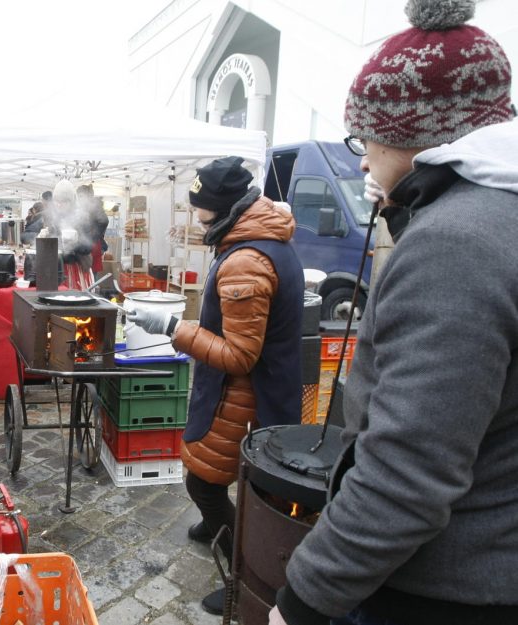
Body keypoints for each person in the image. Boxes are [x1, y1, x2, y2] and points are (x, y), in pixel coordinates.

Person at [272, 2, 518, 624]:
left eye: (366, 138)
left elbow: (408, 474)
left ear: (419, 134)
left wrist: (302, 598)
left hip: (442, 587)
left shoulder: (455, 243)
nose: (360, 159)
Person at [127, 156, 304, 615]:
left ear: (224, 208)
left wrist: (172, 325)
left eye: (201, 209)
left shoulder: (246, 259)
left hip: (246, 395)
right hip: (248, 390)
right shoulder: (254, 239)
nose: (198, 217)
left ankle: (240, 577)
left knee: (206, 485)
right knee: (226, 480)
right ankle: (218, 526)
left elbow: (240, 354)